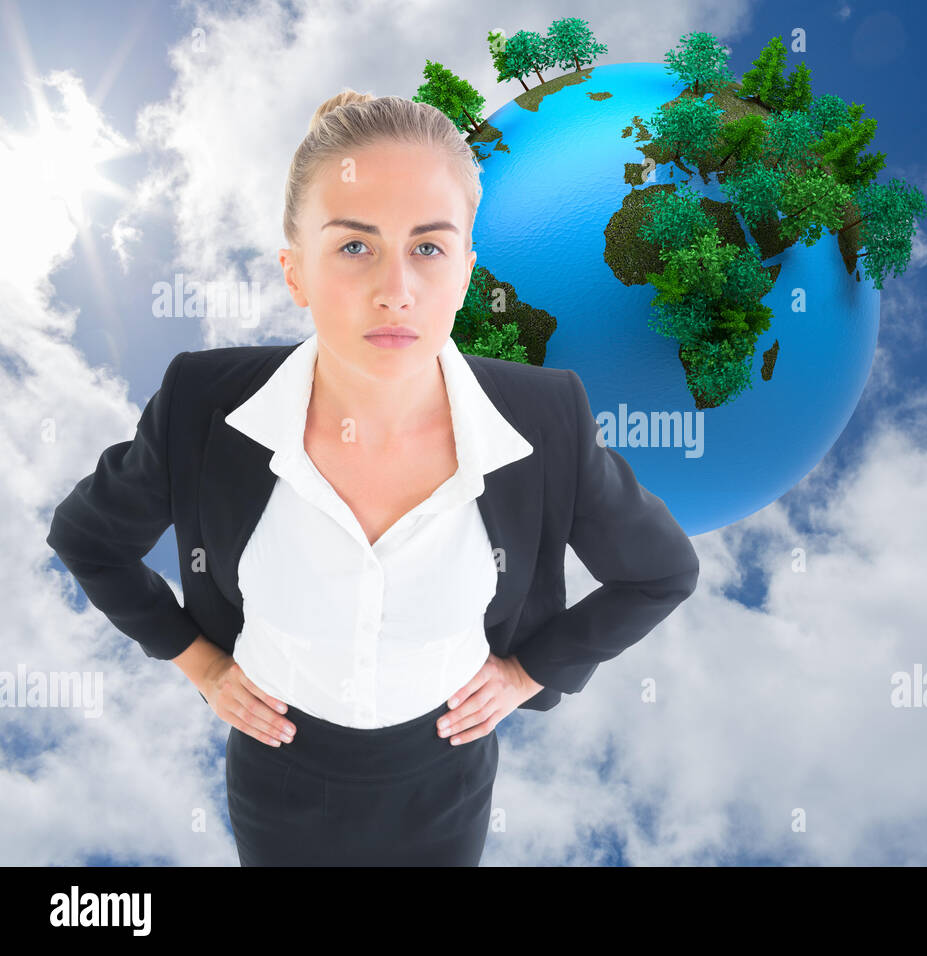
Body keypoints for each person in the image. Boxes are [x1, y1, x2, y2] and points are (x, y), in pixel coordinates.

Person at [45, 89, 700, 866]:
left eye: (429, 247)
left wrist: (530, 671)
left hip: (444, 780)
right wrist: (202, 664)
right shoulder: (203, 404)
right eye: (355, 247)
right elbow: (89, 539)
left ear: (465, 271)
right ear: (295, 272)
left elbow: (660, 574)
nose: (397, 289)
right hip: (278, 771)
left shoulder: (543, 418)